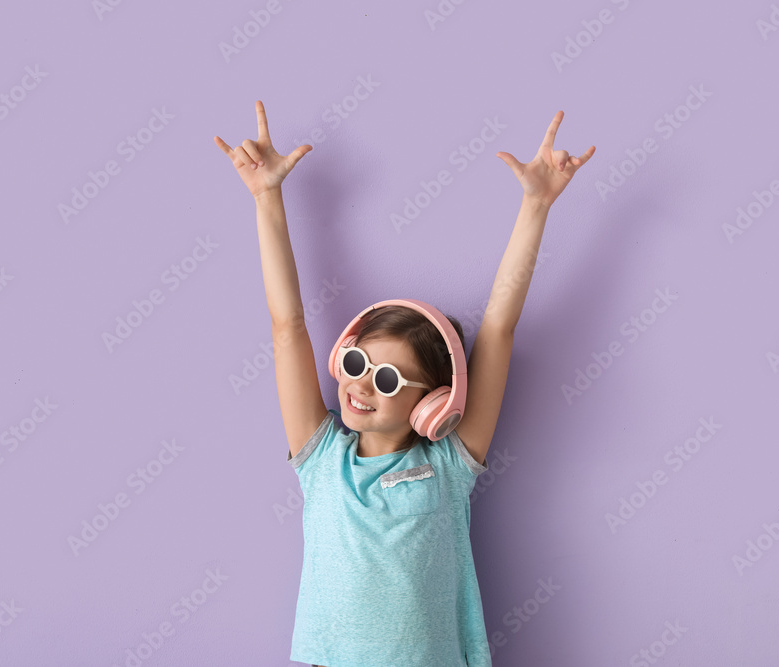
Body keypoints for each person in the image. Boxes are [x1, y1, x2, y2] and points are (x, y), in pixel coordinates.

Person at [215, 101, 594, 667]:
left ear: (434, 402)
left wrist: (536, 205)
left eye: (387, 377)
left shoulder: (450, 465)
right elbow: (288, 327)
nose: (361, 385)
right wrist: (267, 196)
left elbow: (498, 328)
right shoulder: (321, 461)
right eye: (355, 364)